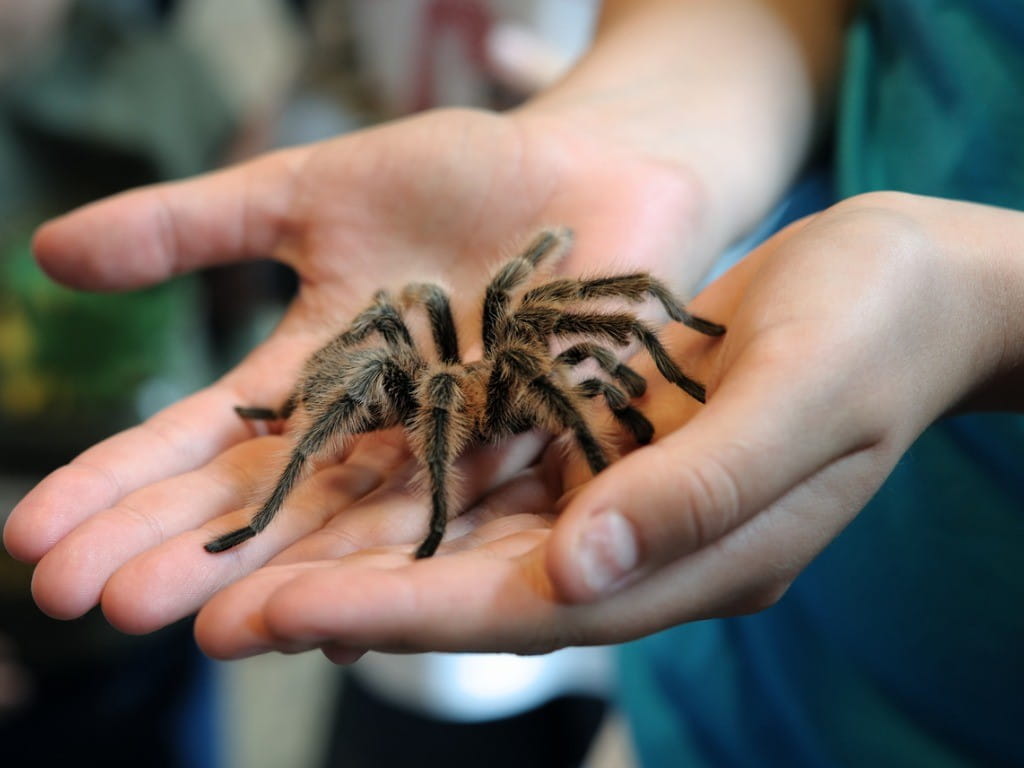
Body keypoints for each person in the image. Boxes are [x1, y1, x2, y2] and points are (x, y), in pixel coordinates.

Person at [4, 0, 1024, 764]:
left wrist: (980, 313)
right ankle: (289, 453)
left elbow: (603, 311)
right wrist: (638, 132)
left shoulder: (533, 347)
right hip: (745, 704)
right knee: (420, 355)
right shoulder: (440, 375)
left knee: (540, 336)